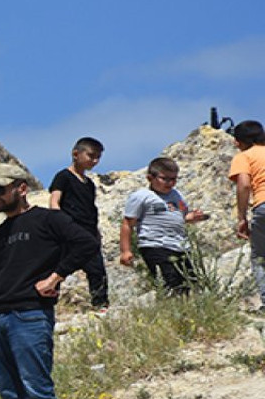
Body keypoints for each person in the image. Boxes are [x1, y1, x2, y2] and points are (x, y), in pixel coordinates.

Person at [0, 163, 95, 399]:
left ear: (21, 188)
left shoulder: (49, 219)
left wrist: (56, 277)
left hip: (30, 315)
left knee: (38, 390)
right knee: (10, 394)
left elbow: (87, 244)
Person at [120, 157, 208, 295]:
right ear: (150, 178)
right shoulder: (142, 196)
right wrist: (126, 250)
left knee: (190, 285)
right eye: (165, 179)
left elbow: (183, 216)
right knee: (170, 284)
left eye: (173, 179)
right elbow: (127, 223)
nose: (170, 183)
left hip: (180, 246)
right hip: (155, 245)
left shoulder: (176, 195)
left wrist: (193, 217)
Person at [48, 137, 109, 311]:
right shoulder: (63, 176)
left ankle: (100, 304)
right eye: (91, 156)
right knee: (59, 268)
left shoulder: (89, 184)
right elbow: (54, 201)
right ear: (76, 154)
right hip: (69, 230)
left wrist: (96, 233)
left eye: (98, 157)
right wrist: (60, 225)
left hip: (88, 233)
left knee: (97, 270)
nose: (94, 161)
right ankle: (48, 303)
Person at [228, 121, 265, 309]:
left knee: (260, 258)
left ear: (237, 142)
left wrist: (241, 218)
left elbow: (243, 184)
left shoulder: (244, 156)